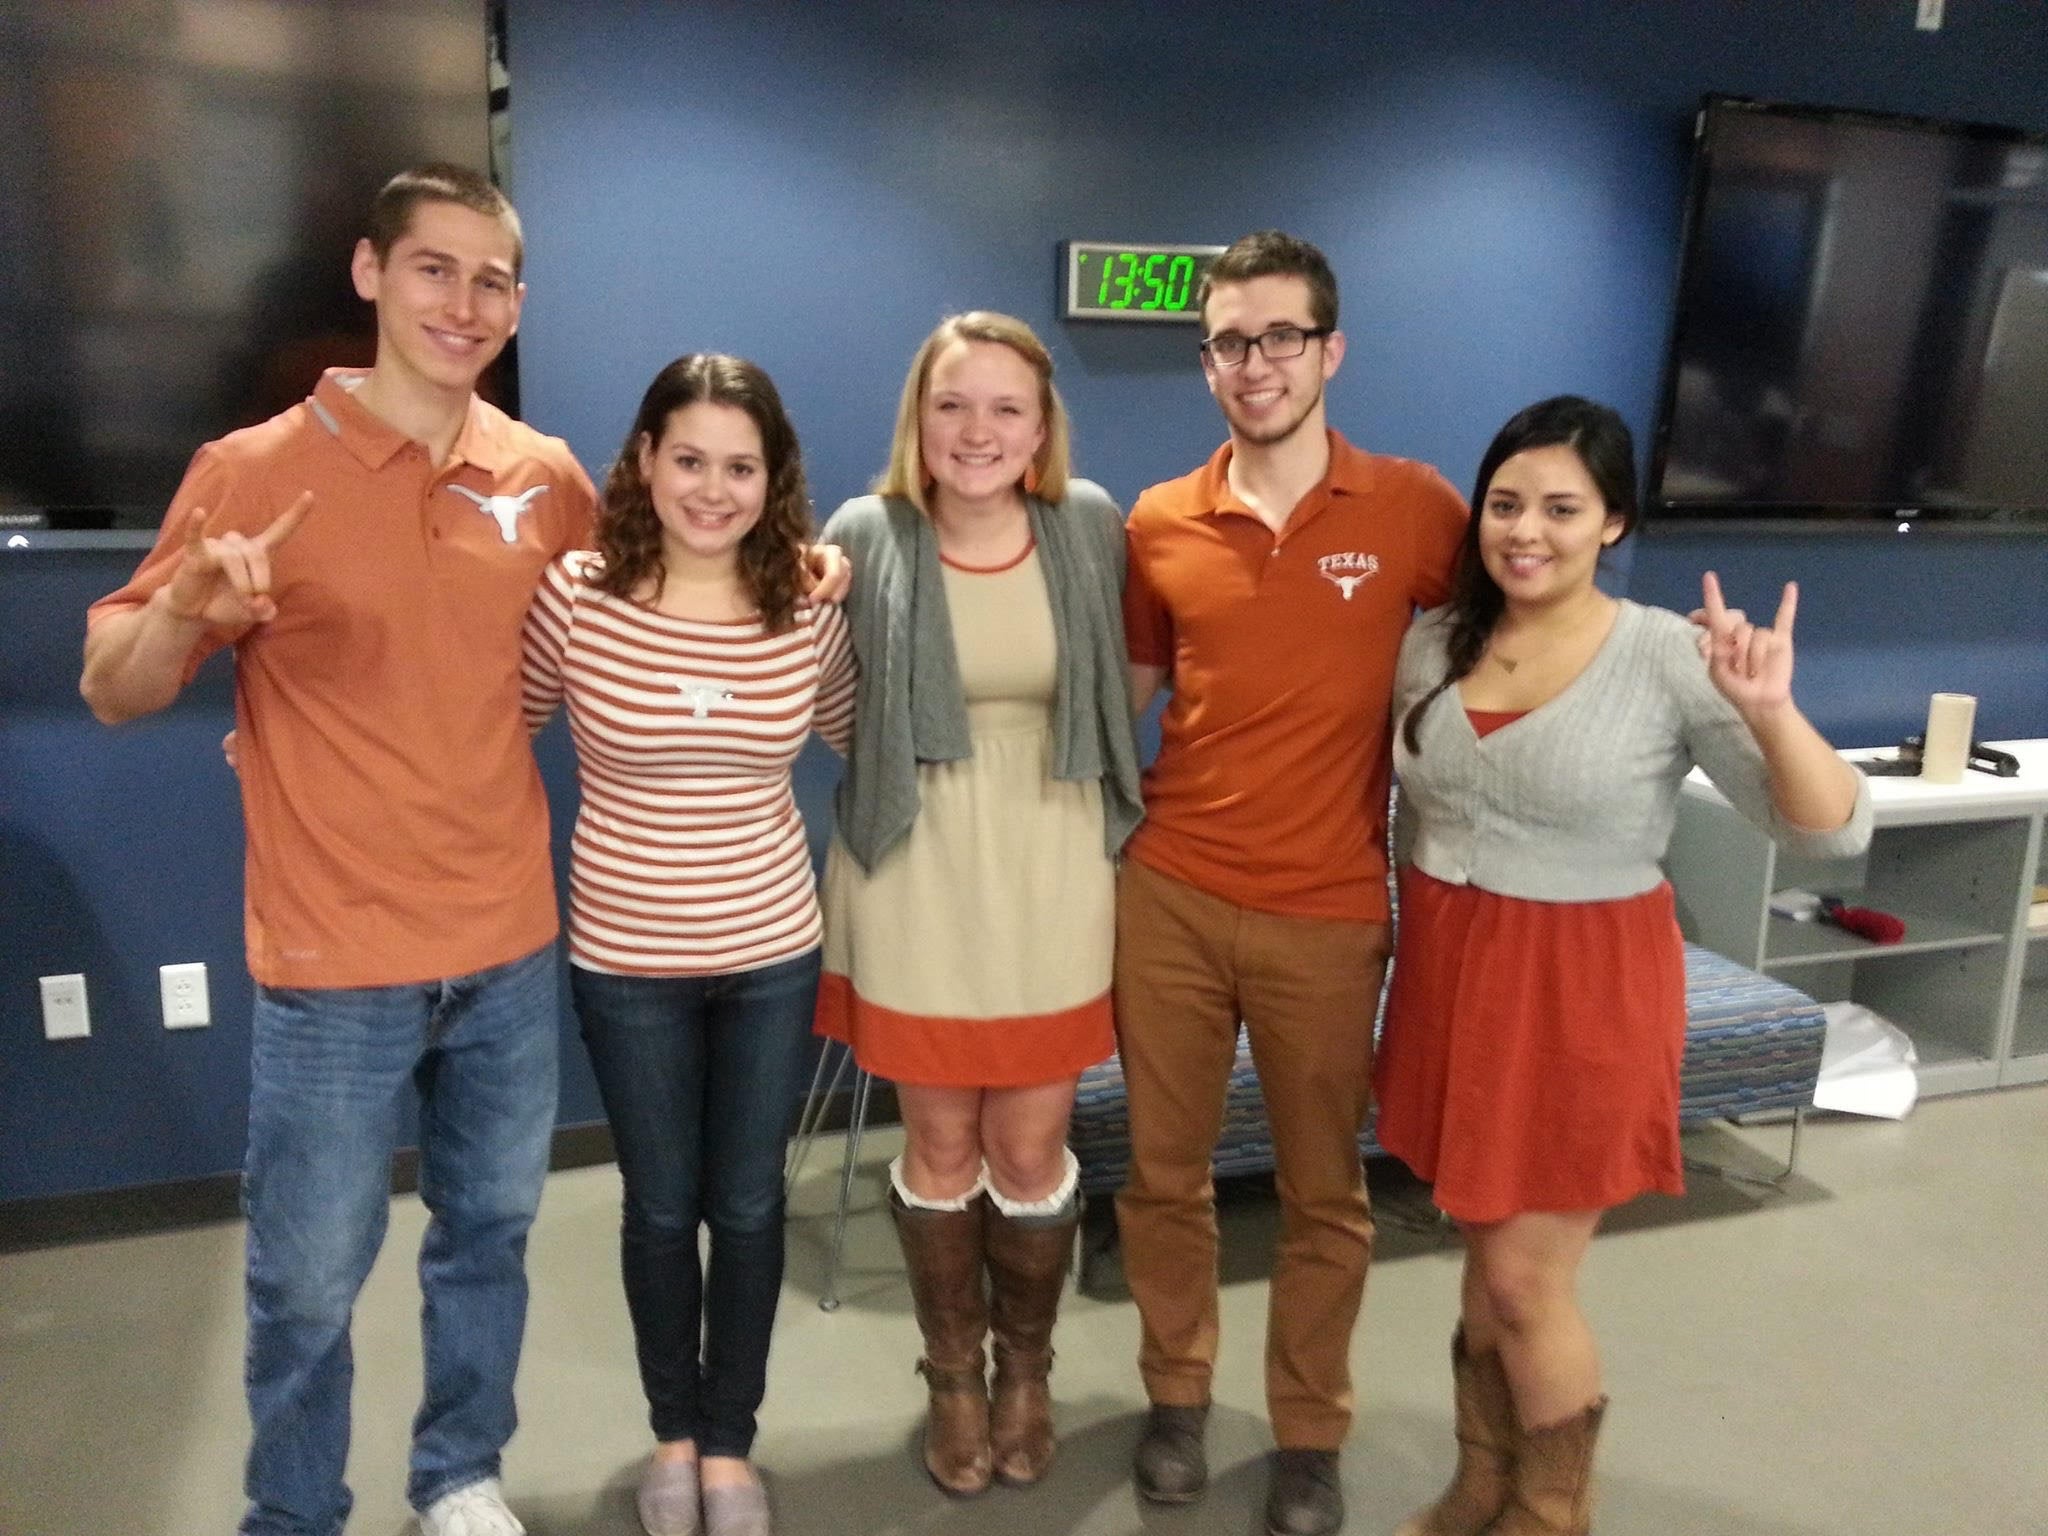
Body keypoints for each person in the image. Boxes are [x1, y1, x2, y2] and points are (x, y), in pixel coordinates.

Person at [80, 165, 596, 1536]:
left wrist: (802, 572)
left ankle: (458, 1476)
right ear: (371, 274)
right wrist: (187, 608)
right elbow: (115, 689)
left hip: (505, 946)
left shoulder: (541, 479)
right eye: (435, 268)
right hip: (334, 967)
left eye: (493, 280)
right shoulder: (251, 474)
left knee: (486, 1242)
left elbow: (653, 605)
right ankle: (294, 1513)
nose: (464, 302)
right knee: (306, 1282)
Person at [1376, 395, 1871, 1536]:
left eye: (1560, 507)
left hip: (1581, 989)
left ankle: (1551, 1517)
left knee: (1523, 1281)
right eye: (1505, 503)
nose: (1525, 531)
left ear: (1611, 523)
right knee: (1479, 1247)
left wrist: (1769, 709)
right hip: (1450, 979)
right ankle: (1478, 1485)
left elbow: (1827, 831)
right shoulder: (1431, 638)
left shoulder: (1666, 654)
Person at [1116, 230, 1468, 1536]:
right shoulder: (1159, 518)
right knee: (1164, 1175)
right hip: (1169, 895)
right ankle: (1175, 1395)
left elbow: (1516, 631)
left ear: (1331, 350)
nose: (1252, 364)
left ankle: (1310, 1432)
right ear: (1204, 360)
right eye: (1226, 341)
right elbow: (1128, 703)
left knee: (1326, 1193)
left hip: (1327, 912)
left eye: (1278, 338)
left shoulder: (1417, 512)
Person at [518, 354, 854, 1536]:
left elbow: (868, 727)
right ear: (645, 460)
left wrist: (869, 591)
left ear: (774, 478)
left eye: (740, 466)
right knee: (661, 1210)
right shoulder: (576, 593)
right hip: (624, 959)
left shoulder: (805, 603)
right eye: (690, 459)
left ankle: (729, 1447)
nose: (713, 488)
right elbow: (491, 730)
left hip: (770, 951)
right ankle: (672, 1432)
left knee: (751, 1207)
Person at [814, 311, 1142, 1497]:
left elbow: (1127, 680)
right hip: (914, 870)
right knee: (941, 1141)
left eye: (1007, 407)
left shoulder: (1089, 525)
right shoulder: (862, 532)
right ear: (917, 416)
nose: (977, 430)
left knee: (1029, 1141)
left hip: (1054, 868)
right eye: (952, 403)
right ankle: (953, 1377)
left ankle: (1026, 1372)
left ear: (1042, 426)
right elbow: (815, 693)